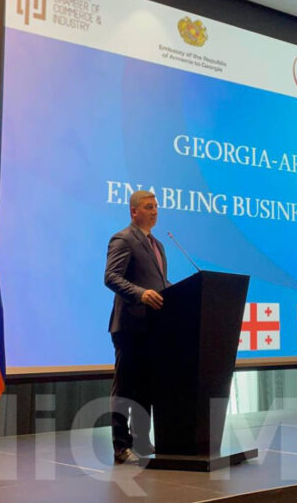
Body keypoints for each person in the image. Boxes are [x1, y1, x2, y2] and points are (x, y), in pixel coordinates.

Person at [104, 190, 169, 464]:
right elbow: (111, 277)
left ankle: (141, 441)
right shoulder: (123, 239)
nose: (155, 211)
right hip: (129, 325)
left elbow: (158, 283)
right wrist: (140, 294)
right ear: (134, 211)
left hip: (152, 328)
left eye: (156, 207)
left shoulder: (158, 245)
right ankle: (121, 446)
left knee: (146, 388)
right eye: (148, 207)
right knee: (125, 388)